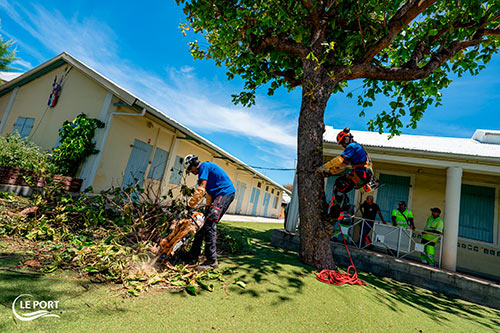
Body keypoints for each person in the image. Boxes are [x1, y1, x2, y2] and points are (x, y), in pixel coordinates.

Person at [184, 154, 235, 270]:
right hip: (218, 195)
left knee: (209, 225)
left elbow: (201, 189)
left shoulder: (204, 167)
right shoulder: (205, 170)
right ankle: (193, 255)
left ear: (193, 164)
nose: (190, 172)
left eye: (189, 169)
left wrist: (189, 206)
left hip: (224, 194)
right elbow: (209, 192)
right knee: (201, 226)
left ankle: (212, 261)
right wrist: (207, 208)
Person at [317, 128, 374, 217]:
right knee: (342, 187)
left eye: (344, 142)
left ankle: (337, 211)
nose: (343, 145)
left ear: (347, 138)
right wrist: (330, 172)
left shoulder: (352, 146)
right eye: (342, 144)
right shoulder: (357, 148)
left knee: (339, 185)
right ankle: (342, 208)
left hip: (361, 173)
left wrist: (324, 167)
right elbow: (342, 166)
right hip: (362, 174)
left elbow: (339, 160)